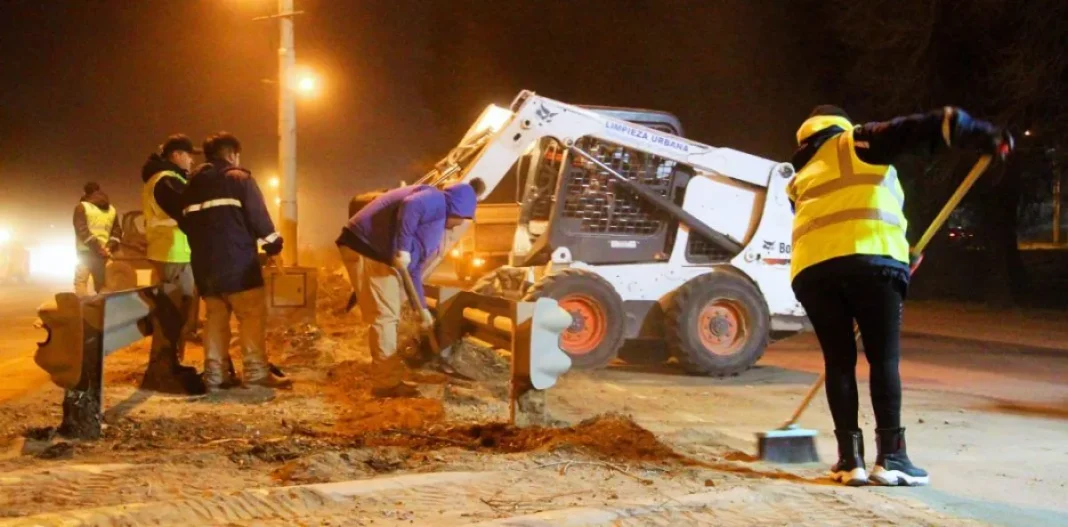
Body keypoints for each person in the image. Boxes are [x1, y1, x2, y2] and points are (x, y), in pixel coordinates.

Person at [788, 105, 1012, 486]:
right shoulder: (856, 140)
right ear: (840, 124)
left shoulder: (800, 177)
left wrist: (903, 251)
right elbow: (925, 126)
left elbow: (839, 217)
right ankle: (891, 458)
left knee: (839, 363)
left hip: (813, 273)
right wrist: (979, 133)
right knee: (883, 359)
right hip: (873, 264)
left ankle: (848, 461)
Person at [337, 178, 483, 397]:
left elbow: (413, 271)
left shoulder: (432, 224)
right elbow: (410, 206)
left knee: (384, 315)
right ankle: (385, 384)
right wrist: (403, 249)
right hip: (367, 248)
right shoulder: (434, 198)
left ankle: (388, 374)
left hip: (366, 248)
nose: (461, 224)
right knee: (385, 317)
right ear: (457, 208)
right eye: (463, 218)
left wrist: (421, 308)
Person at [180, 132, 286, 392]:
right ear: (232, 154)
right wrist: (274, 245)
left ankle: (215, 376)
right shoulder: (239, 178)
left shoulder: (191, 185)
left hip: (205, 269)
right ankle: (256, 373)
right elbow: (259, 218)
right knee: (250, 316)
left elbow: (185, 223)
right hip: (238, 266)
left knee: (215, 320)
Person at [139, 134, 204, 393]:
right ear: (177, 155)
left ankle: (169, 366)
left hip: (175, 253)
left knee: (178, 312)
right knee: (172, 313)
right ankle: (161, 371)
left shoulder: (169, 179)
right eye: (189, 155)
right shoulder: (166, 181)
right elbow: (185, 211)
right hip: (171, 253)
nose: (191, 160)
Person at [73, 182, 122, 296]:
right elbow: (117, 231)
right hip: (104, 254)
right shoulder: (112, 209)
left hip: (86, 252)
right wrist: (108, 247)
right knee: (103, 285)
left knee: (81, 282)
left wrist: (97, 247)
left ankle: (86, 310)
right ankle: (105, 310)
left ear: (85, 192)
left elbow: (81, 230)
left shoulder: (82, 207)